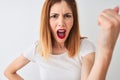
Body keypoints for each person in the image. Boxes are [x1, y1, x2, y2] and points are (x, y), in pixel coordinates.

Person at [4, 0, 120, 80]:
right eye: (54, 16)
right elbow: (9, 72)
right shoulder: (38, 48)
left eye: (67, 16)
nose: (61, 23)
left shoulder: (85, 47)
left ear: (73, 20)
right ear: (47, 21)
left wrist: (106, 50)